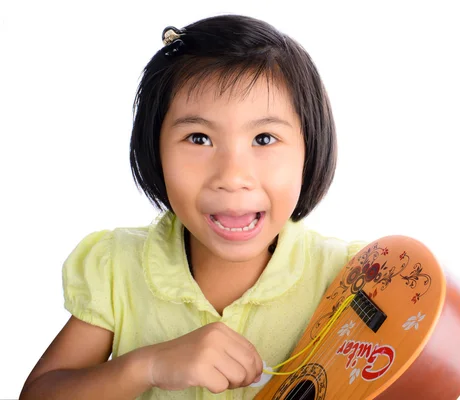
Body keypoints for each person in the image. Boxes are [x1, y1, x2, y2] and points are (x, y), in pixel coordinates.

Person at [20, 14, 367, 400]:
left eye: (264, 138)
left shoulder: (353, 282)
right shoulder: (118, 268)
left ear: (310, 150)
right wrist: (147, 365)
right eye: (198, 138)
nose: (232, 175)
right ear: (155, 149)